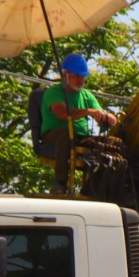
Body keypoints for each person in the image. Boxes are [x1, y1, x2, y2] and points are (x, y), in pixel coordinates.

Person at [42, 53, 119, 195]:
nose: (80, 80)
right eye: (76, 76)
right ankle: (59, 183)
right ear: (65, 74)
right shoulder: (54, 92)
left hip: (79, 137)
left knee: (110, 144)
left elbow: (102, 113)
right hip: (53, 136)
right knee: (64, 132)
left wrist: (107, 117)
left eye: (82, 76)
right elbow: (62, 113)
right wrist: (88, 111)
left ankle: (97, 188)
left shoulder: (87, 95)